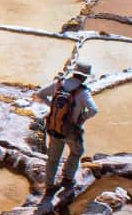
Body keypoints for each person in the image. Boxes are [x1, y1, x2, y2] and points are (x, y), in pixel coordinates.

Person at [34, 62, 98, 192]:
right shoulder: (82, 92)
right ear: (84, 77)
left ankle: (49, 185)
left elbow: (40, 93)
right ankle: (67, 177)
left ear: (74, 72)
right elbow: (93, 110)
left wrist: (51, 105)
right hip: (71, 130)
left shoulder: (58, 84)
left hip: (54, 126)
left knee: (53, 158)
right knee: (76, 152)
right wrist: (81, 118)